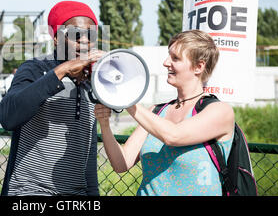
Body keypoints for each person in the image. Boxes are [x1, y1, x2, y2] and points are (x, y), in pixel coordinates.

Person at [95, 29, 235, 196]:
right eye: (169, 56)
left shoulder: (219, 111)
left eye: (175, 58)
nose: (166, 62)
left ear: (199, 66)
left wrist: (128, 99)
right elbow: (121, 164)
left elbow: (173, 136)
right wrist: (104, 124)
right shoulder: (156, 110)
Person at [0, 0, 104, 196]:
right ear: (56, 38)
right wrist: (62, 71)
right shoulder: (34, 68)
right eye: (76, 34)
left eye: (91, 35)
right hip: (30, 190)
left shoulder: (94, 80)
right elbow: (8, 116)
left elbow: (88, 150)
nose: (84, 41)